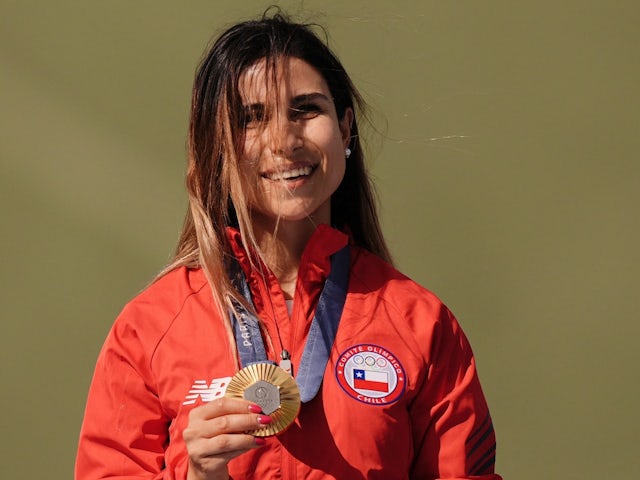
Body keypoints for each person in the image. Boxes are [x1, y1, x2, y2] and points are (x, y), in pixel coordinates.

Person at [75, 10, 501, 480]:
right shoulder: (148, 330)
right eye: (252, 119)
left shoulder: (420, 324)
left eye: (306, 109)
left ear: (344, 129)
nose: (283, 139)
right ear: (215, 147)